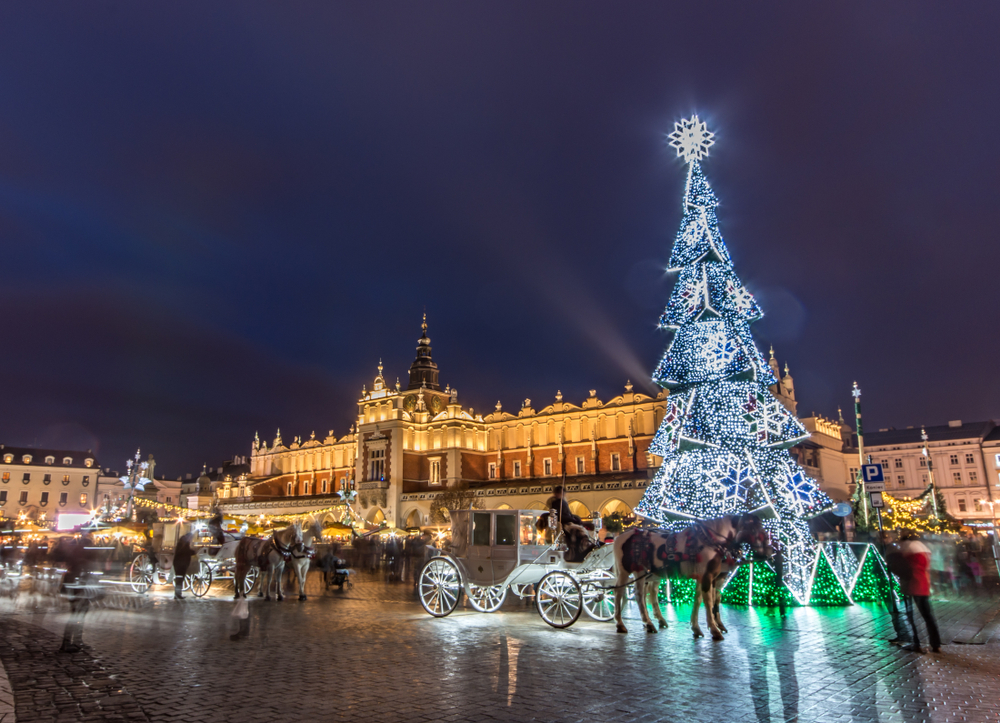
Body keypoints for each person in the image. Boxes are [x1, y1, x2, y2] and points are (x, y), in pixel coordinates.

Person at [53, 533, 96, 653]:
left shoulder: (77, 558)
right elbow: (80, 575)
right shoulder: (81, 560)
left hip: (76, 589)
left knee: (78, 614)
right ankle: (68, 642)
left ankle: (76, 640)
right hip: (77, 589)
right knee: (76, 615)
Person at [899, 530, 942, 653]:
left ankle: (916, 643)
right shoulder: (924, 549)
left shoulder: (908, 549)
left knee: (910, 616)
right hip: (924, 584)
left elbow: (904, 567)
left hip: (911, 585)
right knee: (928, 616)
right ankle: (936, 644)